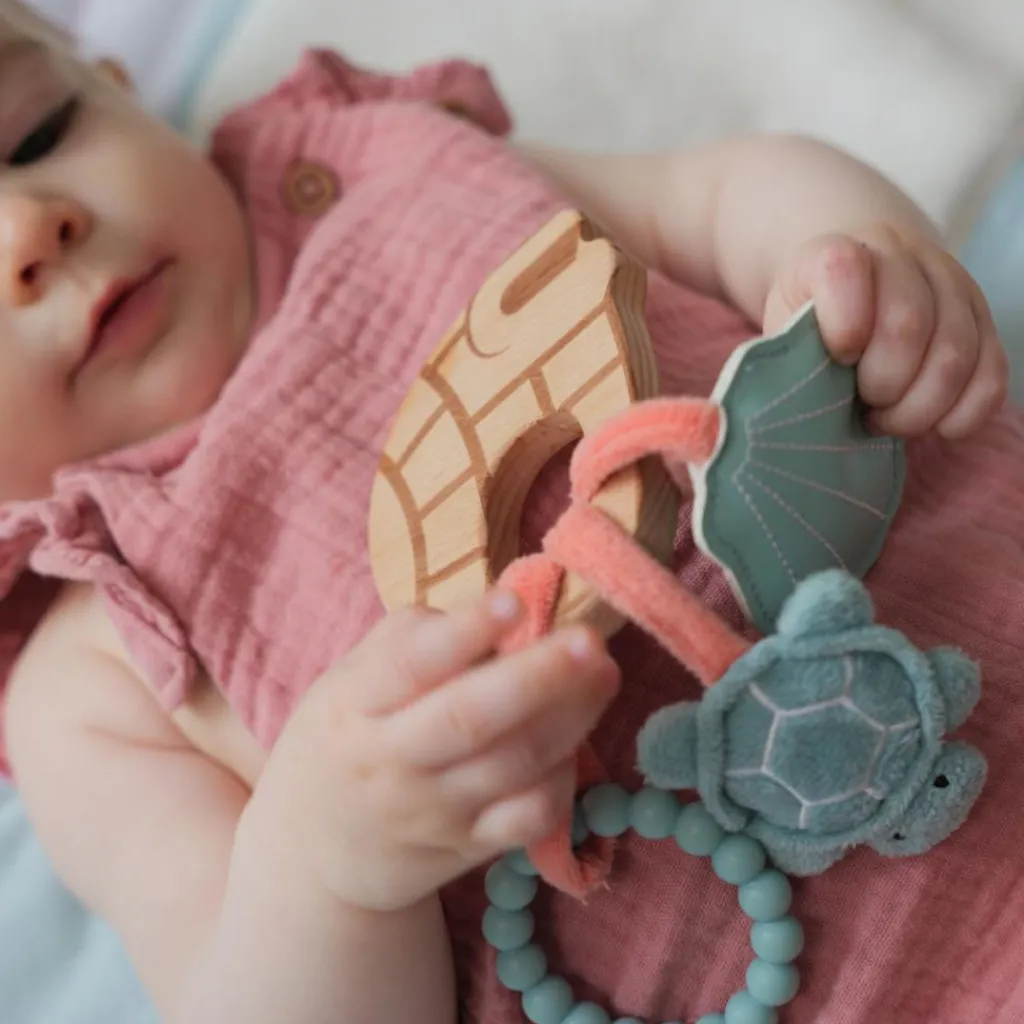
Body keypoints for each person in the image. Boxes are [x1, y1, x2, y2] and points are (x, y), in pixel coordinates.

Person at [0, 2, 1020, 1021]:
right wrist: (325, 866)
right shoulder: (85, 684)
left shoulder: (401, 171)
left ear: (116, 91)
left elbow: (710, 197)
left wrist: (854, 256)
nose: (28, 228)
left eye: (37, 131)